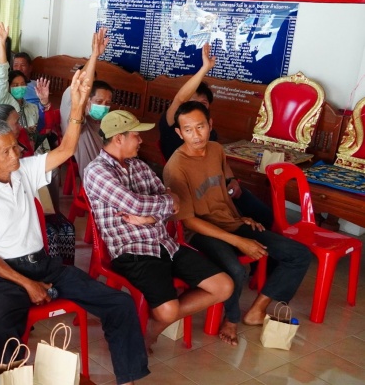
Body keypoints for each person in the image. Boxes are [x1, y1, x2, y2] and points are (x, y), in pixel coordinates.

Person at [0, 53, 149, 384]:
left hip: (42, 264)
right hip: (5, 273)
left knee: (118, 303)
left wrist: (77, 106)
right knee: (5, 330)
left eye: (15, 146)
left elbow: (65, 150)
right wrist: (27, 284)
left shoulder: (23, 170)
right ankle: (9, 378)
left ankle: (129, 378)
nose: (16, 154)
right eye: (6, 151)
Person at [163, 101, 311, 346]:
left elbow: (221, 190)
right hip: (199, 232)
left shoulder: (216, 150)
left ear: (210, 125)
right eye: (188, 130)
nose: (196, 135)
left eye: (200, 127)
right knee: (236, 269)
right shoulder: (176, 167)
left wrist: (239, 217)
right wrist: (239, 241)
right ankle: (231, 319)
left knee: (298, 254)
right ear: (179, 133)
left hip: (231, 223)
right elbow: (188, 221)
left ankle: (257, 310)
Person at [84, 110, 233, 351]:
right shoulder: (97, 171)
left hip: (166, 244)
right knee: (168, 310)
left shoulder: (139, 166)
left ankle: (153, 325)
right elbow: (138, 204)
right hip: (133, 252)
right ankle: (154, 327)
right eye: (136, 135)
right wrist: (161, 205)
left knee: (224, 286)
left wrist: (149, 217)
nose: (141, 140)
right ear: (119, 138)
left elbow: (174, 203)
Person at [158, 44, 272, 228]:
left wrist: (232, 180)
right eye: (193, 102)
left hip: (217, 187)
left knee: (263, 214)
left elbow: (220, 161)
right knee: (238, 224)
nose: (198, 107)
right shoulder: (172, 124)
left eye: (203, 103)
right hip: (195, 192)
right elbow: (179, 99)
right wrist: (205, 69)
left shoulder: (210, 135)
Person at [0, 22, 49, 139]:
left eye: (22, 84)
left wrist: (44, 103)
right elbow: (2, 74)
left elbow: (42, 127)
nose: (20, 87)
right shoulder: (4, 100)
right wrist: (2, 43)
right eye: (15, 85)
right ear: (9, 87)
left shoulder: (32, 108)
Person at [60, 77, 113, 178]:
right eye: (99, 101)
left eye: (107, 103)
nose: (103, 107)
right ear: (87, 101)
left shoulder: (108, 123)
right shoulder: (80, 124)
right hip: (97, 176)